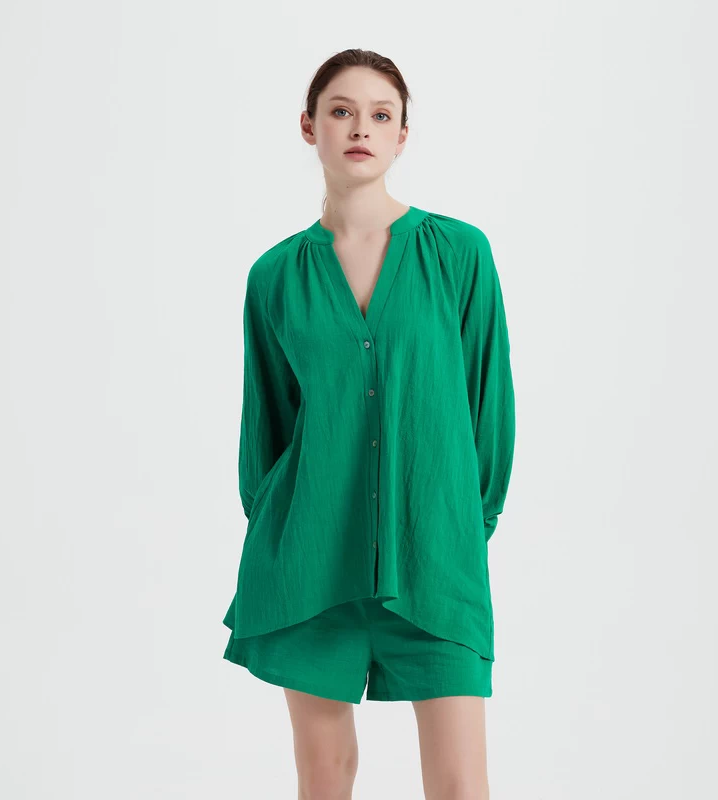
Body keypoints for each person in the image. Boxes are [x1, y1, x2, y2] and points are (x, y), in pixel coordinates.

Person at [221, 48, 516, 800]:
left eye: (381, 115)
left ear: (402, 136)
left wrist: (459, 527)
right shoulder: (275, 277)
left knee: (460, 783)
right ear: (309, 127)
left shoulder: (458, 254)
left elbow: (488, 410)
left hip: (435, 556)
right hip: (311, 563)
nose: (361, 128)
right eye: (342, 111)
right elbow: (267, 430)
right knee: (324, 775)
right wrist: (291, 536)